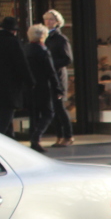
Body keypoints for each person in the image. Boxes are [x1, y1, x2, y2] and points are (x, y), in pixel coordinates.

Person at [0, 16, 34, 137]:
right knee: (4, 119)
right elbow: (22, 65)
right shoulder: (14, 43)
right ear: (13, 31)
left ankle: (9, 142)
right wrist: (30, 82)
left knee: (5, 118)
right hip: (10, 90)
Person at [23, 24, 59, 153]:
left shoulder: (25, 50)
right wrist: (57, 88)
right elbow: (51, 71)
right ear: (43, 36)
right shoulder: (43, 51)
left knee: (34, 115)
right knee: (48, 113)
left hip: (29, 86)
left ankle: (35, 140)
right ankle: (36, 137)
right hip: (43, 86)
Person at [42, 10, 74, 146]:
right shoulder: (44, 37)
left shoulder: (61, 39)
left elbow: (67, 59)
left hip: (58, 76)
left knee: (59, 106)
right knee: (52, 108)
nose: (48, 22)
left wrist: (52, 65)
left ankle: (68, 136)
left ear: (57, 22)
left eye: (51, 19)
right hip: (48, 76)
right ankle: (59, 136)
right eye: (46, 19)